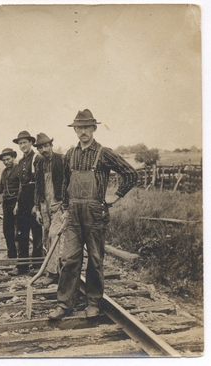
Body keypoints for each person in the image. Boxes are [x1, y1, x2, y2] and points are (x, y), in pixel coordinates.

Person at [48, 109, 138, 320]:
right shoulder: (70, 154)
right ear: (75, 130)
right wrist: (65, 208)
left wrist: (116, 196)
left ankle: (93, 302)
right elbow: (65, 183)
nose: (83, 132)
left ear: (94, 129)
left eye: (87, 127)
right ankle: (64, 304)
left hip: (95, 213)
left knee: (95, 260)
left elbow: (131, 174)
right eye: (79, 128)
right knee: (69, 259)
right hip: (73, 214)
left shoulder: (104, 153)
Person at [33, 133, 70, 286]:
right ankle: (55, 267)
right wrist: (36, 208)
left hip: (58, 203)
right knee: (47, 236)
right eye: (40, 147)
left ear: (51, 146)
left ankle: (52, 273)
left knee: (55, 235)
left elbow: (68, 183)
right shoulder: (39, 163)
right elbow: (37, 186)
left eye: (46, 146)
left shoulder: (61, 159)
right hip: (44, 204)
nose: (43, 150)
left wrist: (65, 205)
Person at [10, 131, 43, 275]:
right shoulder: (21, 162)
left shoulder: (37, 158)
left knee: (37, 234)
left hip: (34, 201)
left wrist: (37, 204)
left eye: (25, 142)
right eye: (20, 143)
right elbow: (21, 185)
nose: (22, 145)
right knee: (21, 234)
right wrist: (17, 203)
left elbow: (39, 183)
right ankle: (22, 266)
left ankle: (37, 267)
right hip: (23, 201)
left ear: (31, 143)